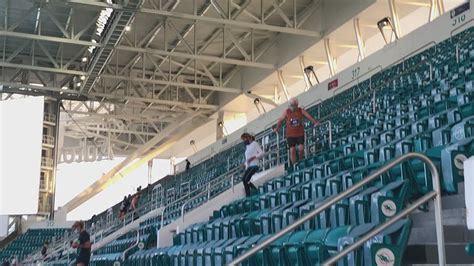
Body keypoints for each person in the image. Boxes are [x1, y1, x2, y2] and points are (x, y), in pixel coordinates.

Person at [274, 98, 319, 165]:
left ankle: (300, 161)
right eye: (292, 105)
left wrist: (315, 122)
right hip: (290, 135)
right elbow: (280, 120)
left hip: (299, 133)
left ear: (297, 105)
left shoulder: (300, 110)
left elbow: (308, 116)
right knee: (292, 150)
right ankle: (295, 165)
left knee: (301, 149)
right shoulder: (287, 112)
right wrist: (277, 128)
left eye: (295, 105)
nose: (293, 107)